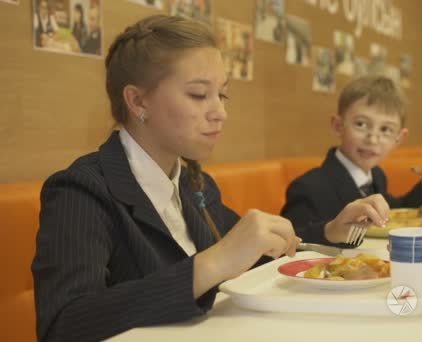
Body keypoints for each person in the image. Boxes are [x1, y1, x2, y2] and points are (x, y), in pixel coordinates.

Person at [31, 15, 390, 342]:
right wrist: (211, 264)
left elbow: (256, 252)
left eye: (222, 95)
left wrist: (329, 232)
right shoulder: (81, 190)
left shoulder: (193, 183)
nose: (220, 112)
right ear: (138, 101)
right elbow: (63, 325)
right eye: (199, 95)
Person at [281, 76, 422, 234]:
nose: (373, 139)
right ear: (337, 125)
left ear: (399, 137)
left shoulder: (376, 175)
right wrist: (331, 230)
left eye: (385, 129)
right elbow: (293, 241)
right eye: (361, 124)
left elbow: (395, 212)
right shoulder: (309, 187)